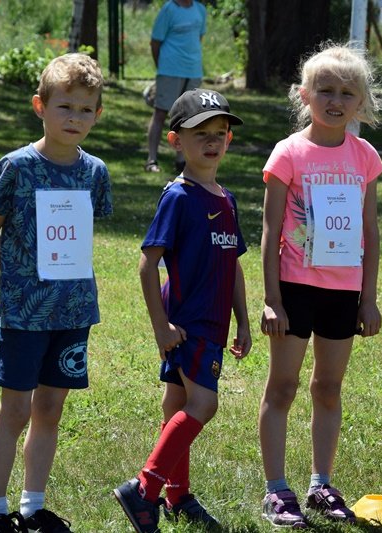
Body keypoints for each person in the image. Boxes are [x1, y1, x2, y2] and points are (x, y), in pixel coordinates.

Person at [0, 53, 111, 533]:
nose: (74, 118)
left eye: (85, 109)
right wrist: (14, 281)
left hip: (73, 312)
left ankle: (32, 507)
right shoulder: (15, 166)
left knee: (50, 410)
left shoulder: (95, 172)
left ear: (98, 114)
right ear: (41, 106)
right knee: (14, 410)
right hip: (24, 316)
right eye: (65, 107)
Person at [257, 44, 382, 527]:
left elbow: (370, 232)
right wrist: (272, 300)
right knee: (283, 387)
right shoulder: (288, 153)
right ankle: (276, 490)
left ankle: (320, 484)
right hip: (293, 288)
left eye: (347, 93)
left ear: (361, 101)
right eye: (325, 91)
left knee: (328, 387)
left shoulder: (365, 157)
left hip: (342, 292)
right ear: (305, 95)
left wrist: (368, 299)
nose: (336, 100)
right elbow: (270, 231)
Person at [113, 88, 251, 533]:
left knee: (178, 405)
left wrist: (244, 320)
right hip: (187, 326)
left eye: (220, 133)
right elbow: (147, 262)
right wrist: (161, 327)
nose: (212, 142)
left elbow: (233, 266)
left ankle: (178, 496)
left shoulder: (226, 199)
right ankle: (144, 488)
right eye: (200, 134)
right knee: (202, 404)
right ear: (175, 141)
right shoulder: (179, 196)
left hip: (214, 324)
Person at [144, 0, 207, 174]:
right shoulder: (168, 9)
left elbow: (198, 38)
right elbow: (155, 42)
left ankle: (181, 160)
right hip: (170, 69)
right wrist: (162, 67)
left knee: (188, 117)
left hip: (193, 70)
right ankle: (151, 159)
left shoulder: (200, 10)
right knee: (161, 113)